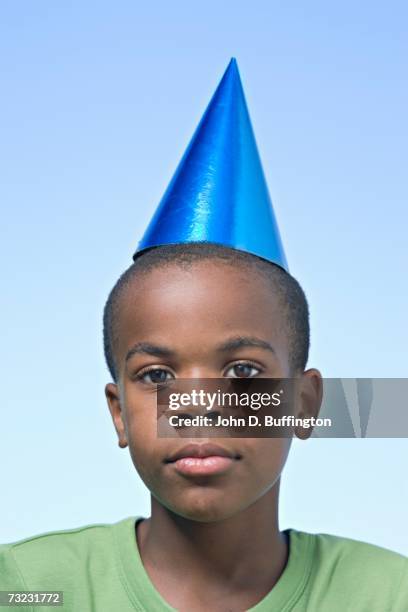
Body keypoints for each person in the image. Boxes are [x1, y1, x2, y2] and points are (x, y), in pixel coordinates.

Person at [1, 60, 407, 612]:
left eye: (242, 372)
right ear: (119, 412)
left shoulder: (388, 594)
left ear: (305, 404)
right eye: (158, 375)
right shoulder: (27, 588)